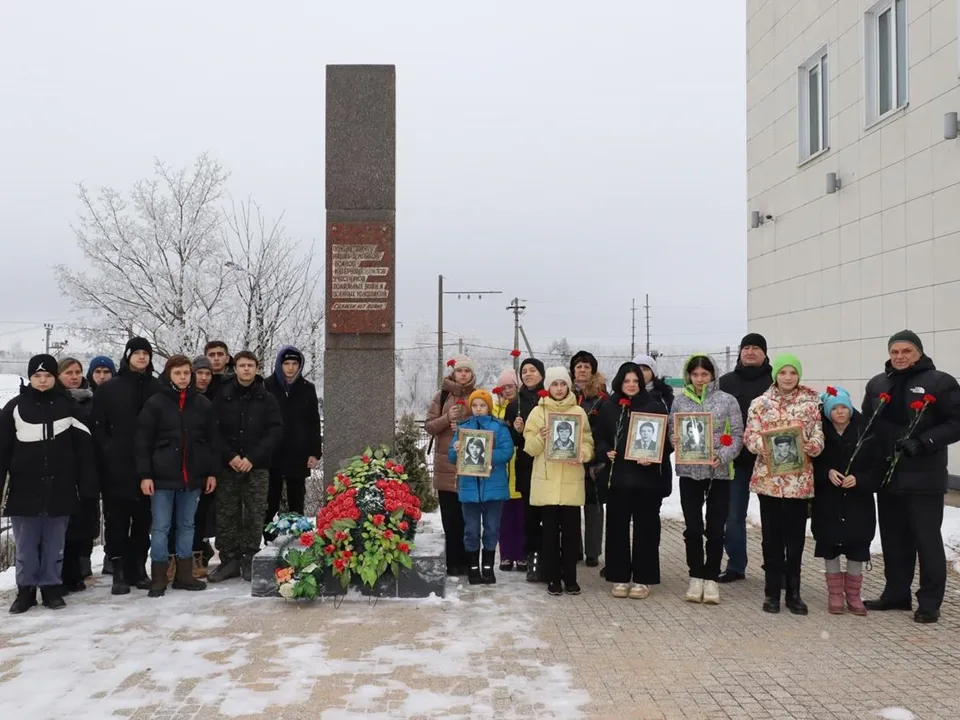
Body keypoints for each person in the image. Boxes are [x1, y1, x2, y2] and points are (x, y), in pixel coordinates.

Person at [861, 330, 960, 624]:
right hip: (888, 477)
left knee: (926, 542)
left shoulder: (940, 382)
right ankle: (896, 594)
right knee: (893, 540)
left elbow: (956, 422)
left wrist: (924, 442)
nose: (900, 356)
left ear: (919, 352)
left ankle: (929, 602)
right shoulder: (878, 384)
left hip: (924, 479)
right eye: (895, 351)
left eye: (906, 351)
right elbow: (867, 426)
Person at [1, 355, 97, 613]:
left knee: (55, 545)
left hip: (60, 489)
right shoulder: (14, 408)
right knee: (26, 547)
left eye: (47, 376)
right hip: (24, 491)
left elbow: (85, 451)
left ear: (55, 378)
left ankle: (51, 588)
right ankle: (25, 591)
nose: (42, 380)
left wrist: (87, 486)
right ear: (30, 378)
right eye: (37, 376)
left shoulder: (69, 407)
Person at [743, 353, 823, 615]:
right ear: (775, 375)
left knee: (795, 540)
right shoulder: (760, 403)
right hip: (769, 481)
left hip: (798, 482)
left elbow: (818, 434)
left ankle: (794, 593)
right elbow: (750, 437)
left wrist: (814, 446)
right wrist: (765, 446)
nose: (788, 377)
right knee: (771, 539)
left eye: (793, 372)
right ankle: (772, 592)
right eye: (783, 372)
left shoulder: (811, 403)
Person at [136, 355, 218, 597]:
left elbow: (213, 441)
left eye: (186, 373)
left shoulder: (202, 404)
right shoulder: (155, 403)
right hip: (161, 477)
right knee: (161, 527)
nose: (183, 378)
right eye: (177, 373)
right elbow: (142, 442)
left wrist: (212, 472)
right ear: (168, 375)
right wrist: (145, 475)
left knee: (187, 525)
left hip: (192, 477)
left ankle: (184, 574)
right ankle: (159, 576)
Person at [668, 355, 744, 605]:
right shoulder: (680, 401)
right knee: (692, 527)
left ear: (713, 375)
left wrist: (722, 456)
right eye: (695, 375)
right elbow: (672, 431)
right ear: (688, 376)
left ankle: (711, 577)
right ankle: (695, 575)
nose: (700, 379)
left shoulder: (727, 400)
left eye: (704, 374)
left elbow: (737, 436)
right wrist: (673, 439)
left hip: (718, 474)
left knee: (715, 528)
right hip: (689, 473)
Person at [91, 337, 162, 595]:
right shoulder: (109, 388)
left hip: (149, 468)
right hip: (116, 467)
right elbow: (98, 427)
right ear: (128, 356)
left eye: (146, 353)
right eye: (137, 353)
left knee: (143, 520)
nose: (142, 357)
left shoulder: (157, 387)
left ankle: (139, 568)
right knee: (117, 521)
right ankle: (119, 570)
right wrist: (108, 450)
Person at [595, 361, 668, 600]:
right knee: (617, 528)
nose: (631, 385)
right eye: (627, 381)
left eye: (636, 380)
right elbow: (599, 438)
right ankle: (619, 576)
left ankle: (644, 578)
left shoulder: (654, 406)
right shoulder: (609, 407)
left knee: (646, 529)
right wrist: (605, 451)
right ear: (619, 382)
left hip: (646, 480)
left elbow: (665, 442)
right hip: (618, 479)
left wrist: (653, 457)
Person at [209, 351, 284, 583]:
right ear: (235, 368)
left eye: (250, 365)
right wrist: (230, 456)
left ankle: (250, 558)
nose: (246, 369)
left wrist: (252, 457)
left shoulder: (267, 398)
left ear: (257, 368)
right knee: (226, 513)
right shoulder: (222, 396)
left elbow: (275, 431)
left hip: (256, 466)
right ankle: (229, 560)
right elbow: (212, 430)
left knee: (255, 512)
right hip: (228, 466)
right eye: (242, 365)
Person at [522, 367, 595, 596]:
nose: (560, 388)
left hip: (571, 483)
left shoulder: (578, 412)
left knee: (572, 535)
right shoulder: (538, 412)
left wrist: (583, 454)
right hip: (547, 484)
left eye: (563, 384)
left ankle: (570, 577)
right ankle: (553, 577)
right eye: (555, 384)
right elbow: (529, 448)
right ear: (548, 387)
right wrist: (540, 438)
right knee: (550, 535)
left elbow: (587, 441)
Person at [812, 387, 881, 616]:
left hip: (857, 503)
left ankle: (853, 594)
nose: (840, 412)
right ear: (827, 412)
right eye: (834, 409)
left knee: (856, 545)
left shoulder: (867, 432)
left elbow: (878, 468)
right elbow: (811, 465)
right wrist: (827, 473)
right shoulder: (819, 434)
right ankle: (834, 594)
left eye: (844, 407)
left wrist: (860, 479)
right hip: (828, 502)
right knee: (830, 544)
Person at [717, 333, 771, 583]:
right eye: (746, 347)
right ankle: (736, 565)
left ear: (764, 353)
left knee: (772, 519)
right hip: (735, 461)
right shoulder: (726, 382)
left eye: (756, 348)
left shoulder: (776, 380)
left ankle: (774, 566)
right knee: (733, 517)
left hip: (769, 462)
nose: (750, 352)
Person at [449, 389, 513, 585]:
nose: (478, 409)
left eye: (482, 405)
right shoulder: (463, 428)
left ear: (489, 407)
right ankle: (473, 568)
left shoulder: (499, 427)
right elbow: (451, 456)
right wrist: (457, 449)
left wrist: (486, 455)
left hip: (494, 487)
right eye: (475, 405)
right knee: (471, 529)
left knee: (492, 528)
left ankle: (488, 567)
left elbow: (507, 451)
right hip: (469, 488)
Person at [424, 355, 477, 577]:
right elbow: (429, 426)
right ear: (453, 373)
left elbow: (486, 426)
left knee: (469, 518)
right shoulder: (442, 395)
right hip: (446, 466)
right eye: (460, 371)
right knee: (450, 517)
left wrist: (466, 425)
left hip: (471, 467)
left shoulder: (477, 396)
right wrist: (447, 418)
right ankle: (453, 563)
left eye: (467, 371)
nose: (463, 374)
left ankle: (470, 562)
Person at [264, 345, 322, 540]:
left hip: (298, 453)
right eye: (286, 363)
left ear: (300, 365)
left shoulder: (307, 388)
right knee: (270, 500)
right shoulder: (267, 386)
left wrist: (314, 452)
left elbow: (313, 422)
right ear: (280, 365)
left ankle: (298, 538)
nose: (290, 368)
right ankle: (268, 540)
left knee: (296, 499)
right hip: (273, 452)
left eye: (294, 364)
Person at [56, 358, 100, 593]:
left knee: (81, 524)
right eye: (68, 372)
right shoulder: (55, 401)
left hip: (87, 467)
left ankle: (76, 573)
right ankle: (59, 575)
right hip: (61, 470)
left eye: (77, 372)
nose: (74, 376)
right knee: (61, 527)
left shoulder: (92, 400)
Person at [505, 357, 546, 581]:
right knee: (530, 517)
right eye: (524, 371)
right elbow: (510, 440)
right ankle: (533, 559)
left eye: (533, 370)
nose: (528, 374)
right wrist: (517, 431)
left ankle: (550, 558)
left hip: (549, 467)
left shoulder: (550, 399)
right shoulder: (514, 405)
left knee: (549, 517)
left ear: (542, 374)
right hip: (526, 466)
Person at [571, 350, 607, 568]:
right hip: (569, 457)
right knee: (571, 505)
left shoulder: (601, 397)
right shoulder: (566, 393)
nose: (582, 370)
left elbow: (605, 427)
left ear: (593, 370)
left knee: (593, 506)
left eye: (586, 366)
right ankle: (574, 547)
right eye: (578, 366)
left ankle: (592, 551)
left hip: (593, 457)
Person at [85, 354, 117, 576]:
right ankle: (82, 558)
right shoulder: (84, 398)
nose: (102, 376)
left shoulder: (117, 397)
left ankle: (111, 555)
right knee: (87, 512)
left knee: (112, 513)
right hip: (87, 462)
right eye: (98, 372)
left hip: (110, 463)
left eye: (107, 372)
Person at [492, 369, 525, 572]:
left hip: (519, 467)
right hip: (501, 472)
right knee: (504, 519)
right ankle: (505, 555)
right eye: (504, 387)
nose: (507, 390)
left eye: (511, 386)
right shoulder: (494, 409)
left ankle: (521, 554)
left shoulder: (522, 406)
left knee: (521, 517)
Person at [189, 354, 216, 576]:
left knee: (201, 515)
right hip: (182, 465)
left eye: (208, 373)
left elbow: (214, 439)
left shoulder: (210, 401)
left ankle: (198, 555)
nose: (204, 377)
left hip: (205, 465)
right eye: (200, 373)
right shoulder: (182, 398)